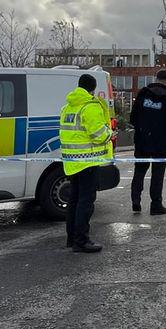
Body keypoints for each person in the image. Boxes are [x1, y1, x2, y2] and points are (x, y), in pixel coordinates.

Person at [59, 73, 113, 253]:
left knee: (74, 200)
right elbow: (98, 134)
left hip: (72, 161)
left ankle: (71, 238)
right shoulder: (90, 106)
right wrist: (110, 134)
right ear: (93, 89)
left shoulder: (68, 107)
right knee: (85, 202)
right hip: (88, 161)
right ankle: (81, 240)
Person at [129, 69, 166, 215]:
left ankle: (136, 200)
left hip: (142, 140)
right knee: (157, 174)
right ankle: (156, 205)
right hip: (162, 143)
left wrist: (141, 130)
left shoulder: (143, 93)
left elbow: (133, 117)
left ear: (156, 78)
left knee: (139, 171)